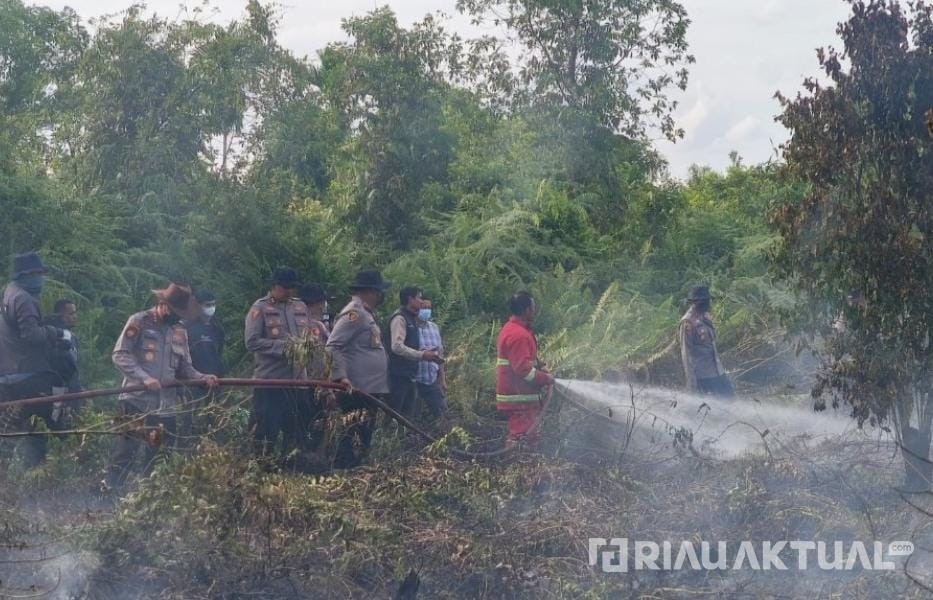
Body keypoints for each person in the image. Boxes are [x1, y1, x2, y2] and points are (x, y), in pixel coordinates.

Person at [109, 283, 218, 488]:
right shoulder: (139, 321)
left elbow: (185, 367)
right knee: (126, 451)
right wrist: (144, 378)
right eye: (176, 312)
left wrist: (202, 377)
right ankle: (109, 495)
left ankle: (148, 497)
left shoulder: (180, 331)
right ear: (163, 305)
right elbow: (120, 355)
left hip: (165, 407)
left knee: (159, 455)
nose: (179, 317)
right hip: (135, 402)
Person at [0, 252, 71, 468]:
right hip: (27, 374)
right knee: (54, 410)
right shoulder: (23, 298)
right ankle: (66, 446)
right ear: (25, 274)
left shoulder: (10, 291)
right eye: (37, 273)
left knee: (16, 428)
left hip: (11, 372)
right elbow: (30, 335)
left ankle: (23, 472)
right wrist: (55, 333)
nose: (40, 278)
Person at [244, 266, 314, 463]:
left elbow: (308, 337)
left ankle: (291, 468)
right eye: (286, 287)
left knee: (296, 430)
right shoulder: (260, 308)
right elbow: (252, 342)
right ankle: (261, 467)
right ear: (275, 286)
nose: (290, 291)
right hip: (271, 382)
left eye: (293, 287)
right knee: (267, 431)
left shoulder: (300, 307)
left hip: (298, 381)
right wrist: (285, 348)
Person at [325, 269, 391, 468]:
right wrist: (340, 376)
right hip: (357, 386)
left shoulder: (365, 314)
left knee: (364, 428)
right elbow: (333, 345)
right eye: (378, 291)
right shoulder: (354, 313)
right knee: (353, 429)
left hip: (369, 386)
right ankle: (346, 465)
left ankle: (357, 463)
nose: (380, 296)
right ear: (369, 291)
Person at [495, 292, 554, 449]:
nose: (534, 311)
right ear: (526, 310)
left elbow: (522, 359)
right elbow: (523, 370)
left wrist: (540, 365)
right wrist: (545, 378)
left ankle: (524, 466)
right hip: (519, 397)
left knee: (528, 434)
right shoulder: (518, 335)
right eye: (533, 308)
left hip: (521, 396)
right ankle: (515, 466)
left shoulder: (514, 330)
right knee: (521, 435)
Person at [388, 286, 443, 423]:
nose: (421, 301)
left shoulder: (411, 318)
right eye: (418, 297)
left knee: (408, 417)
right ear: (410, 299)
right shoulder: (400, 318)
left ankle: (404, 441)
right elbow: (397, 346)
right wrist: (422, 355)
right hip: (398, 375)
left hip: (409, 375)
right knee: (395, 414)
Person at [679, 284, 735, 398]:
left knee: (730, 399)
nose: (709, 303)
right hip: (702, 376)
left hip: (717, 371)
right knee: (711, 407)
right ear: (697, 302)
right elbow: (686, 354)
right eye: (706, 301)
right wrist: (691, 382)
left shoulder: (705, 317)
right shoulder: (687, 322)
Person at [44, 299, 82, 428]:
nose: (75, 317)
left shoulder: (71, 336)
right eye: (71, 314)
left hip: (72, 386)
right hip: (60, 388)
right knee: (59, 423)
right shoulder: (54, 336)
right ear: (61, 315)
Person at [415, 295, 448, 421]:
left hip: (432, 379)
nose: (426, 310)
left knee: (441, 413)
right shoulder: (410, 327)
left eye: (429, 308)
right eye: (423, 307)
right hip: (415, 380)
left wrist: (442, 379)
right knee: (411, 416)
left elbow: (440, 354)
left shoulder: (434, 327)